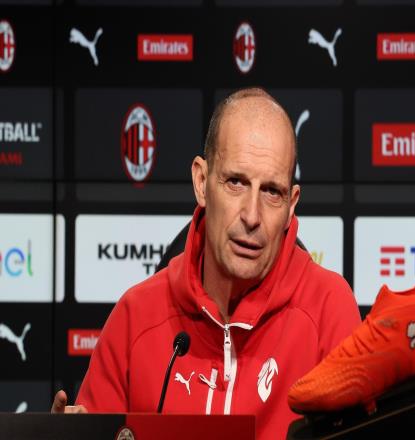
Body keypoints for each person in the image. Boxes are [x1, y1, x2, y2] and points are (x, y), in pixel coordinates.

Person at [51, 87, 361, 439]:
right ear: (201, 182)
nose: (252, 216)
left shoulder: (328, 310)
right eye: (236, 182)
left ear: (291, 206)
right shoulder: (135, 317)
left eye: (271, 191)